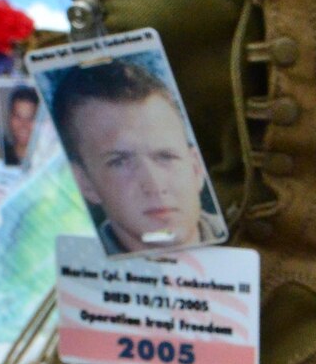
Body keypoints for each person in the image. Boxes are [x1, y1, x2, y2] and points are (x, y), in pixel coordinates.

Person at [49, 57, 218, 253]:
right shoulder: (74, 275)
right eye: (119, 162)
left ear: (196, 167)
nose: (155, 185)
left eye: (166, 156)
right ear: (84, 182)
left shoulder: (251, 243)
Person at [2, 84, 38, 167]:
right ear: (10, 118)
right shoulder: (0, 156)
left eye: (31, 118)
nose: (24, 125)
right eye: (18, 117)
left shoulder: (47, 161)